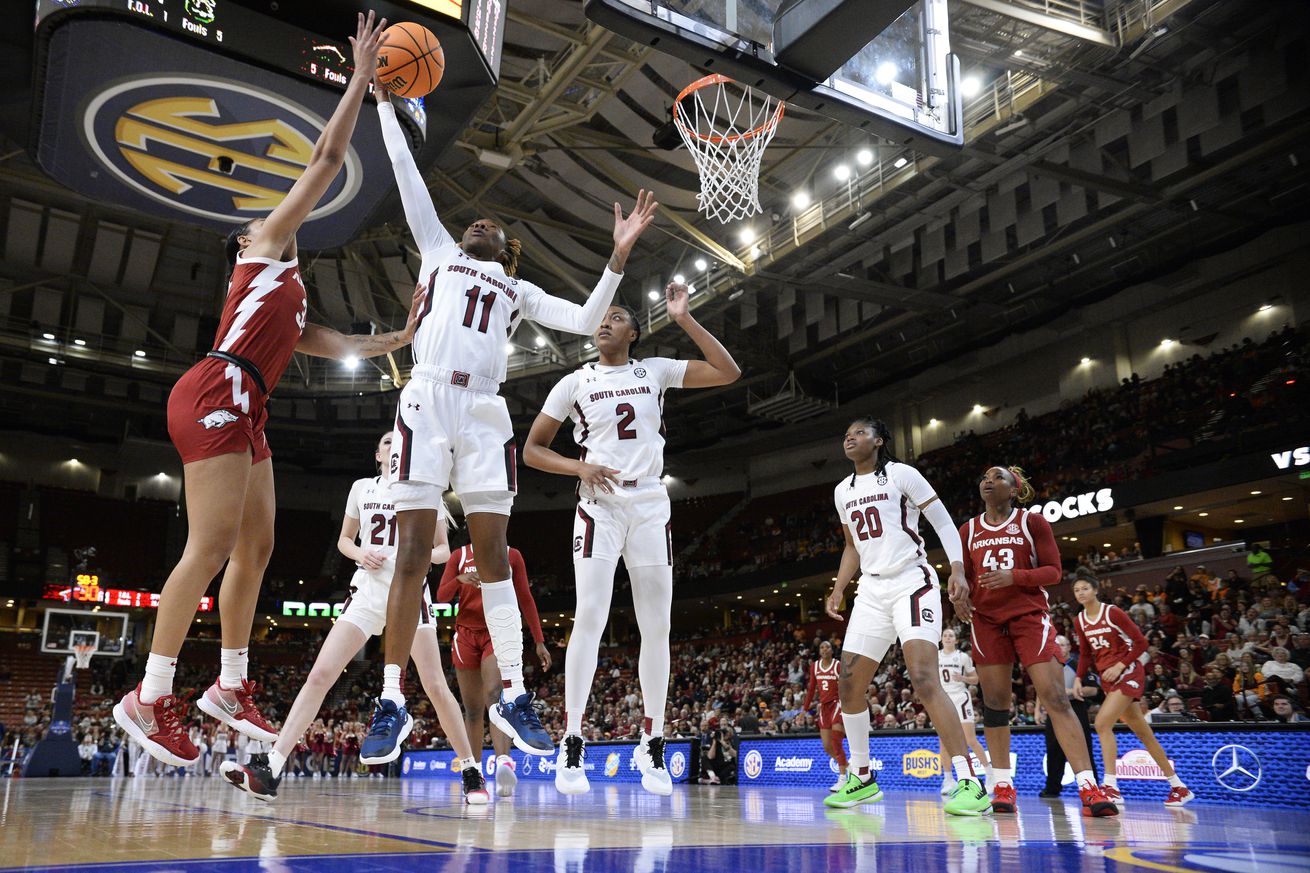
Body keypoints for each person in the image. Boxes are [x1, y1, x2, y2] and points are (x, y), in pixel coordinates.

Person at [112, 12, 425, 768]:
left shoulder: (287, 295)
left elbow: (326, 341)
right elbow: (324, 159)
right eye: (262, 224)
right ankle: (149, 695)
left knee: (257, 544)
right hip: (217, 384)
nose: (270, 221)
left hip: (247, 403)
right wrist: (358, 79)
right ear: (249, 242)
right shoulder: (261, 250)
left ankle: (229, 684)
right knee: (214, 542)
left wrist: (395, 340)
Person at [366, 77, 659, 764]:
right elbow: (407, 175)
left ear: (505, 246)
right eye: (474, 222)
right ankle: (389, 699)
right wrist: (383, 104)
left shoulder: (518, 289)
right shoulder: (438, 253)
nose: (478, 224)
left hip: (485, 409)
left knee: (495, 555)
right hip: (429, 397)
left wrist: (617, 257)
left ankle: (519, 691)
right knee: (412, 553)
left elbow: (588, 321)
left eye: (490, 226)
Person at [522, 283, 740, 796]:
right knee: (591, 618)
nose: (605, 322)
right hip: (599, 505)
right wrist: (579, 466)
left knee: (656, 626)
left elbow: (728, 372)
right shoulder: (573, 382)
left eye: (616, 316)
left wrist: (685, 318)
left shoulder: (655, 370)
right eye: (601, 318)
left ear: (634, 332)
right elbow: (532, 450)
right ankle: (572, 741)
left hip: (649, 507)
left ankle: (653, 741)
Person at [219, 432, 488, 804]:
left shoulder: (425, 489)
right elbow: (345, 539)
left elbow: (443, 548)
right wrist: (360, 553)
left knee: (435, 686)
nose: (395, 444)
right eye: (387, 441)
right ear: (377, 455)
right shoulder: (361, 488)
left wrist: (424, 556)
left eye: (400, 440)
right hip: (366, 592)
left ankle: (471, 770)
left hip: (409, 593)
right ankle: (272, 767)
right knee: (319, 675)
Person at [821, 416, 989, 815]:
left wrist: (958, 569)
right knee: (849, 684)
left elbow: (943, 520)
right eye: (847, 433)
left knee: (924, 677)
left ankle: (969, 781)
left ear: (879, 440)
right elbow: (851, 546)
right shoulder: (842, 489)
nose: (850, 437)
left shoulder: (901, 474)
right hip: (871, 590)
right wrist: (840, 587)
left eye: (859, 432)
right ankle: (861, 777)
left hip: (912, 581)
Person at [954, 466, 1116, 817]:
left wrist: (1015, 576)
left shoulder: (1032, 522)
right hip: (985, 621)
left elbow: (1054, 571)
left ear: (1012, 489)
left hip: (1029, 617)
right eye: (983, 476)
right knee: (995, 705)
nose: (987, 480)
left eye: (996, 477)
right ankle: (1002, 784)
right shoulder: (968, 529)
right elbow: (963, 577)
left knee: (1055, 696)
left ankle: (1088, 785)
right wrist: (957, 596)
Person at [436, 540, 549, 797]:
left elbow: (525, 598)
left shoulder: (512, 554)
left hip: (497, 632)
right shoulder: (459, 555)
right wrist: (459, 580)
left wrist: (539, 640)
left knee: (495, 695)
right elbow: (441, 595)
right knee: (473, 710)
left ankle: (503, 763)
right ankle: (473, 772)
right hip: (465, 634)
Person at [1072, 577, 1193, 808]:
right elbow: (1086, 653)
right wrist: (1078, 677)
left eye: (1085, 588)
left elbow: (1140, 643)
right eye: (1077, 590)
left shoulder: (1113, 613)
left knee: (1101, 723)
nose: (1081, 592)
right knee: (1144, 733)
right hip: (1108, 678)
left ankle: (1111, 787)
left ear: (1095, 590)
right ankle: (1179, 787)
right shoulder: (1079, 620)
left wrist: (1120, 665)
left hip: (1127, 673)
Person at [1039, 635, 1099, 798]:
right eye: (1057, 645)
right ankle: (1052, 788)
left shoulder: (1078, 665)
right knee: (1053, 749)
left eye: (1064, 645)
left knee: (1084, 746)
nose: (1060, 648)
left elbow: (1093, 689)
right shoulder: (1047, 666)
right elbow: (1041, 688)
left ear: (1069, 647)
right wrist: (1038, 709)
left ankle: (1093, 786)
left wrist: (1071, 692)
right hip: (1053, 710)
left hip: (1076, 708)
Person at [935, 628, 991, 797]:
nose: (947, 638)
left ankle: (990, 774)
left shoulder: (963, 657)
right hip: (943, 698)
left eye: (951, 636)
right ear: (941, 639)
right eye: (945, 635)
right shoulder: (935, 656)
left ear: (956, 640)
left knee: (970, 740)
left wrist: (963, 679)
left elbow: (976, 679)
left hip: (960, 698)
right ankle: (948, 779)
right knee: (944, 742)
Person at [801, 640, 848, 792]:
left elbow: (846, 686)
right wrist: (804, 710)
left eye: (827, 646)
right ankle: (851, 768)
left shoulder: (838, 665)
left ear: (832, 650)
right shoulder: (815, 666)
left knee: (836, 741)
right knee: (827, 746)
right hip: (824, 707)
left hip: (837, 704)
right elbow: (811, 689)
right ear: (819, 651)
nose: (824, 649)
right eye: (821, 647)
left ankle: (842, 778)